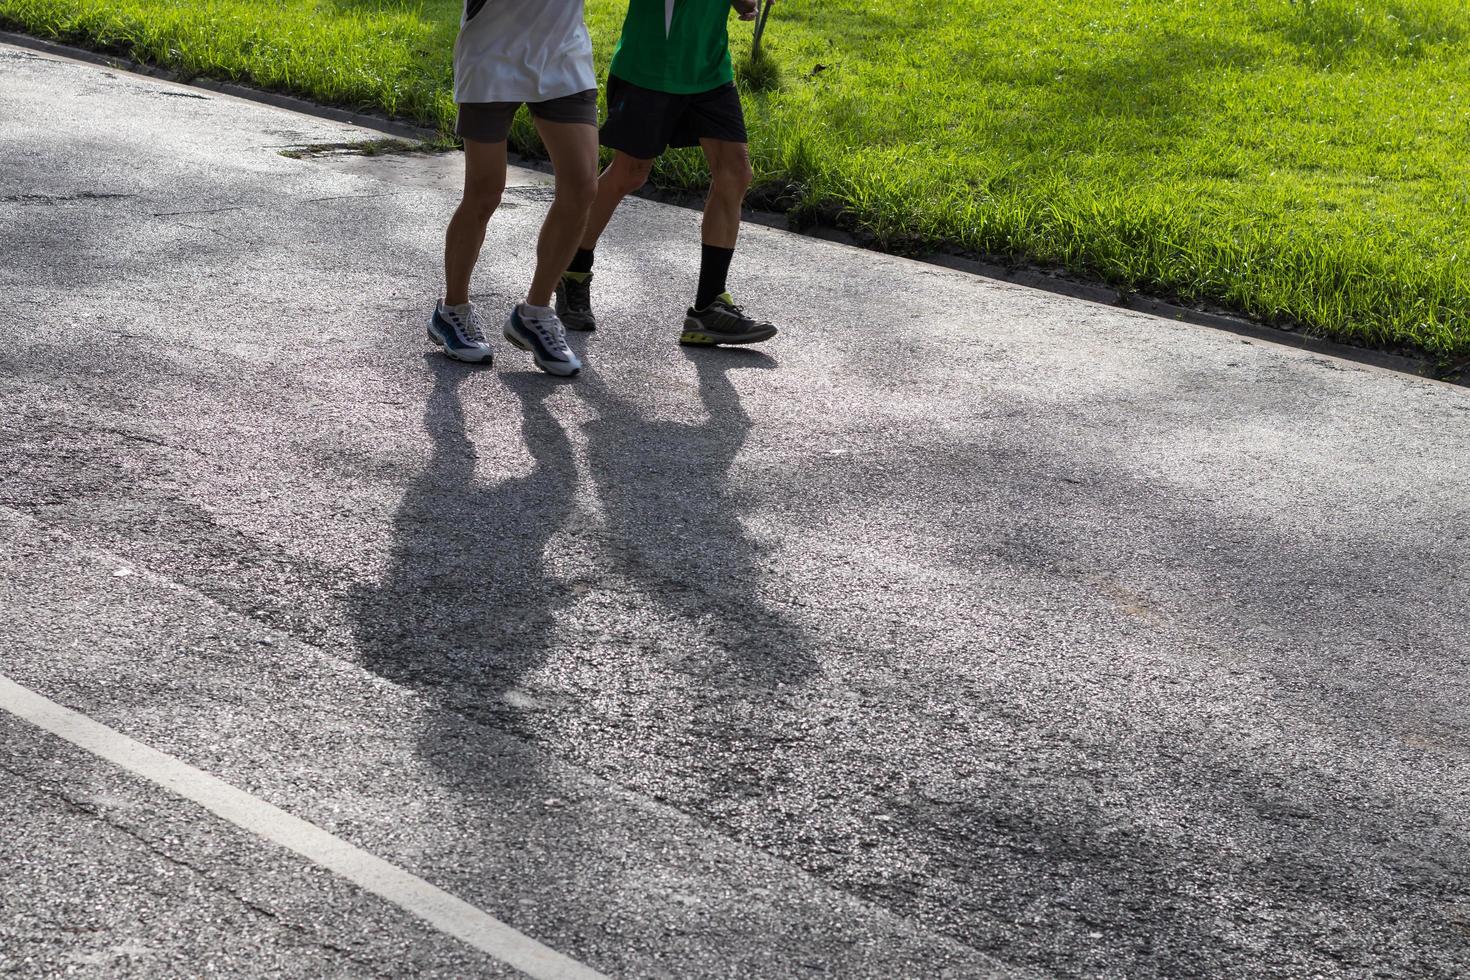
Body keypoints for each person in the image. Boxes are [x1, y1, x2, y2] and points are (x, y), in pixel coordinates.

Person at [555, 0, 779, 347]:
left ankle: (708, 307)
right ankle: (573, 270)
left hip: (709, 68)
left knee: (735, 172)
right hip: (651, 67)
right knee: (630, 172)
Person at [427, 0, 600, 376]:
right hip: (493, 50)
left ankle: (534, 313)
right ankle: (451, 310)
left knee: (582, 186)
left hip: (563, 53)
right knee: (485, 191)